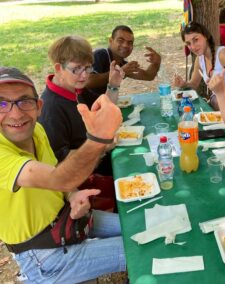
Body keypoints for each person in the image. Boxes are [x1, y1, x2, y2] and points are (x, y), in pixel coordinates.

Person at [0, 67, 126, 283]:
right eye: (1, 104)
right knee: (141, 247)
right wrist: (99, 138)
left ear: (39, 107)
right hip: (42, 254)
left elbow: (58, 173)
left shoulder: (36, 130)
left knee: (137, 225)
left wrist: (72, 194)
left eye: (24, 101)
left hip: (67, 218)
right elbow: (60, 178)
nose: (15, 113)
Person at [38, 36, 124, 177]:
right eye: (77, 69)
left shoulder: (75, 88)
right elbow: (61, 163)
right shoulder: (51, 109)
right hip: (86, 180)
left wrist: (113, 85)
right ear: (59, 68)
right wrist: (100, 146)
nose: (84, 75)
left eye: (88, 67)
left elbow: (104, 110)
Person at [174, 22, 225, 110]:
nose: (193, 47)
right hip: (220, 104)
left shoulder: (223, 54)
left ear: (205, 36)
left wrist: (220, 89)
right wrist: (184, 84)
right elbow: (194, 84)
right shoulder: (200, 59)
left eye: (196, 40)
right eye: (188, 43)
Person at [86, 25, 161, 96]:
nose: (125, 45)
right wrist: (119, 72)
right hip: (84, 106)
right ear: (111, 41)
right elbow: (88, 81)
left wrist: (156, 63)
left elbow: (148, 76)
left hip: (104, 105)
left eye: (130, 43)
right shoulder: (100, 55)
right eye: (120, 40)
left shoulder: (122, 64)